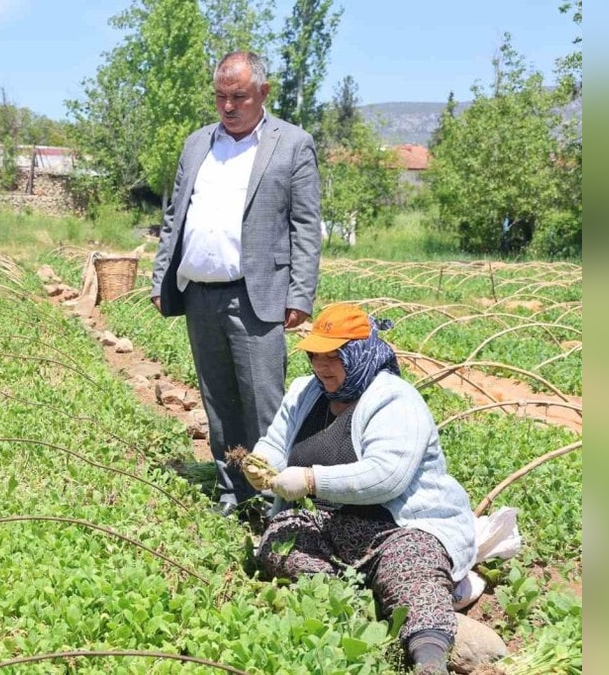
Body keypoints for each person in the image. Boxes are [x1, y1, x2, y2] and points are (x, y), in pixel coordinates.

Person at [242, 304, 477, 675]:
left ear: (359, 353)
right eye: (316, 354)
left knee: (412, 566)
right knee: (279, 545)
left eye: (334, 355)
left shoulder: (393, 398)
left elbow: (387, 476)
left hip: (394, 527)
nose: (322, 365)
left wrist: (310, 480)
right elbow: (276, 440)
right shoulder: (305, 390)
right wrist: (261, 463)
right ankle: (350, 600)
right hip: (323, 523)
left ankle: (429, 658)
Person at [150, 51, 322, 516]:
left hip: (257, 295)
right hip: (201, 294)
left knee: (264, 404)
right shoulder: (196, 144)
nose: (228, 106)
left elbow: (306, 225)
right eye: (221, 97)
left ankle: (275, 502)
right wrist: (160, 272)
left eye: (239, 97)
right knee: (219, 404)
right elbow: (174, 218)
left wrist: (300, 293)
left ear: (263, 93)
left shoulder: (292, 144)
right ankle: (233, 493)